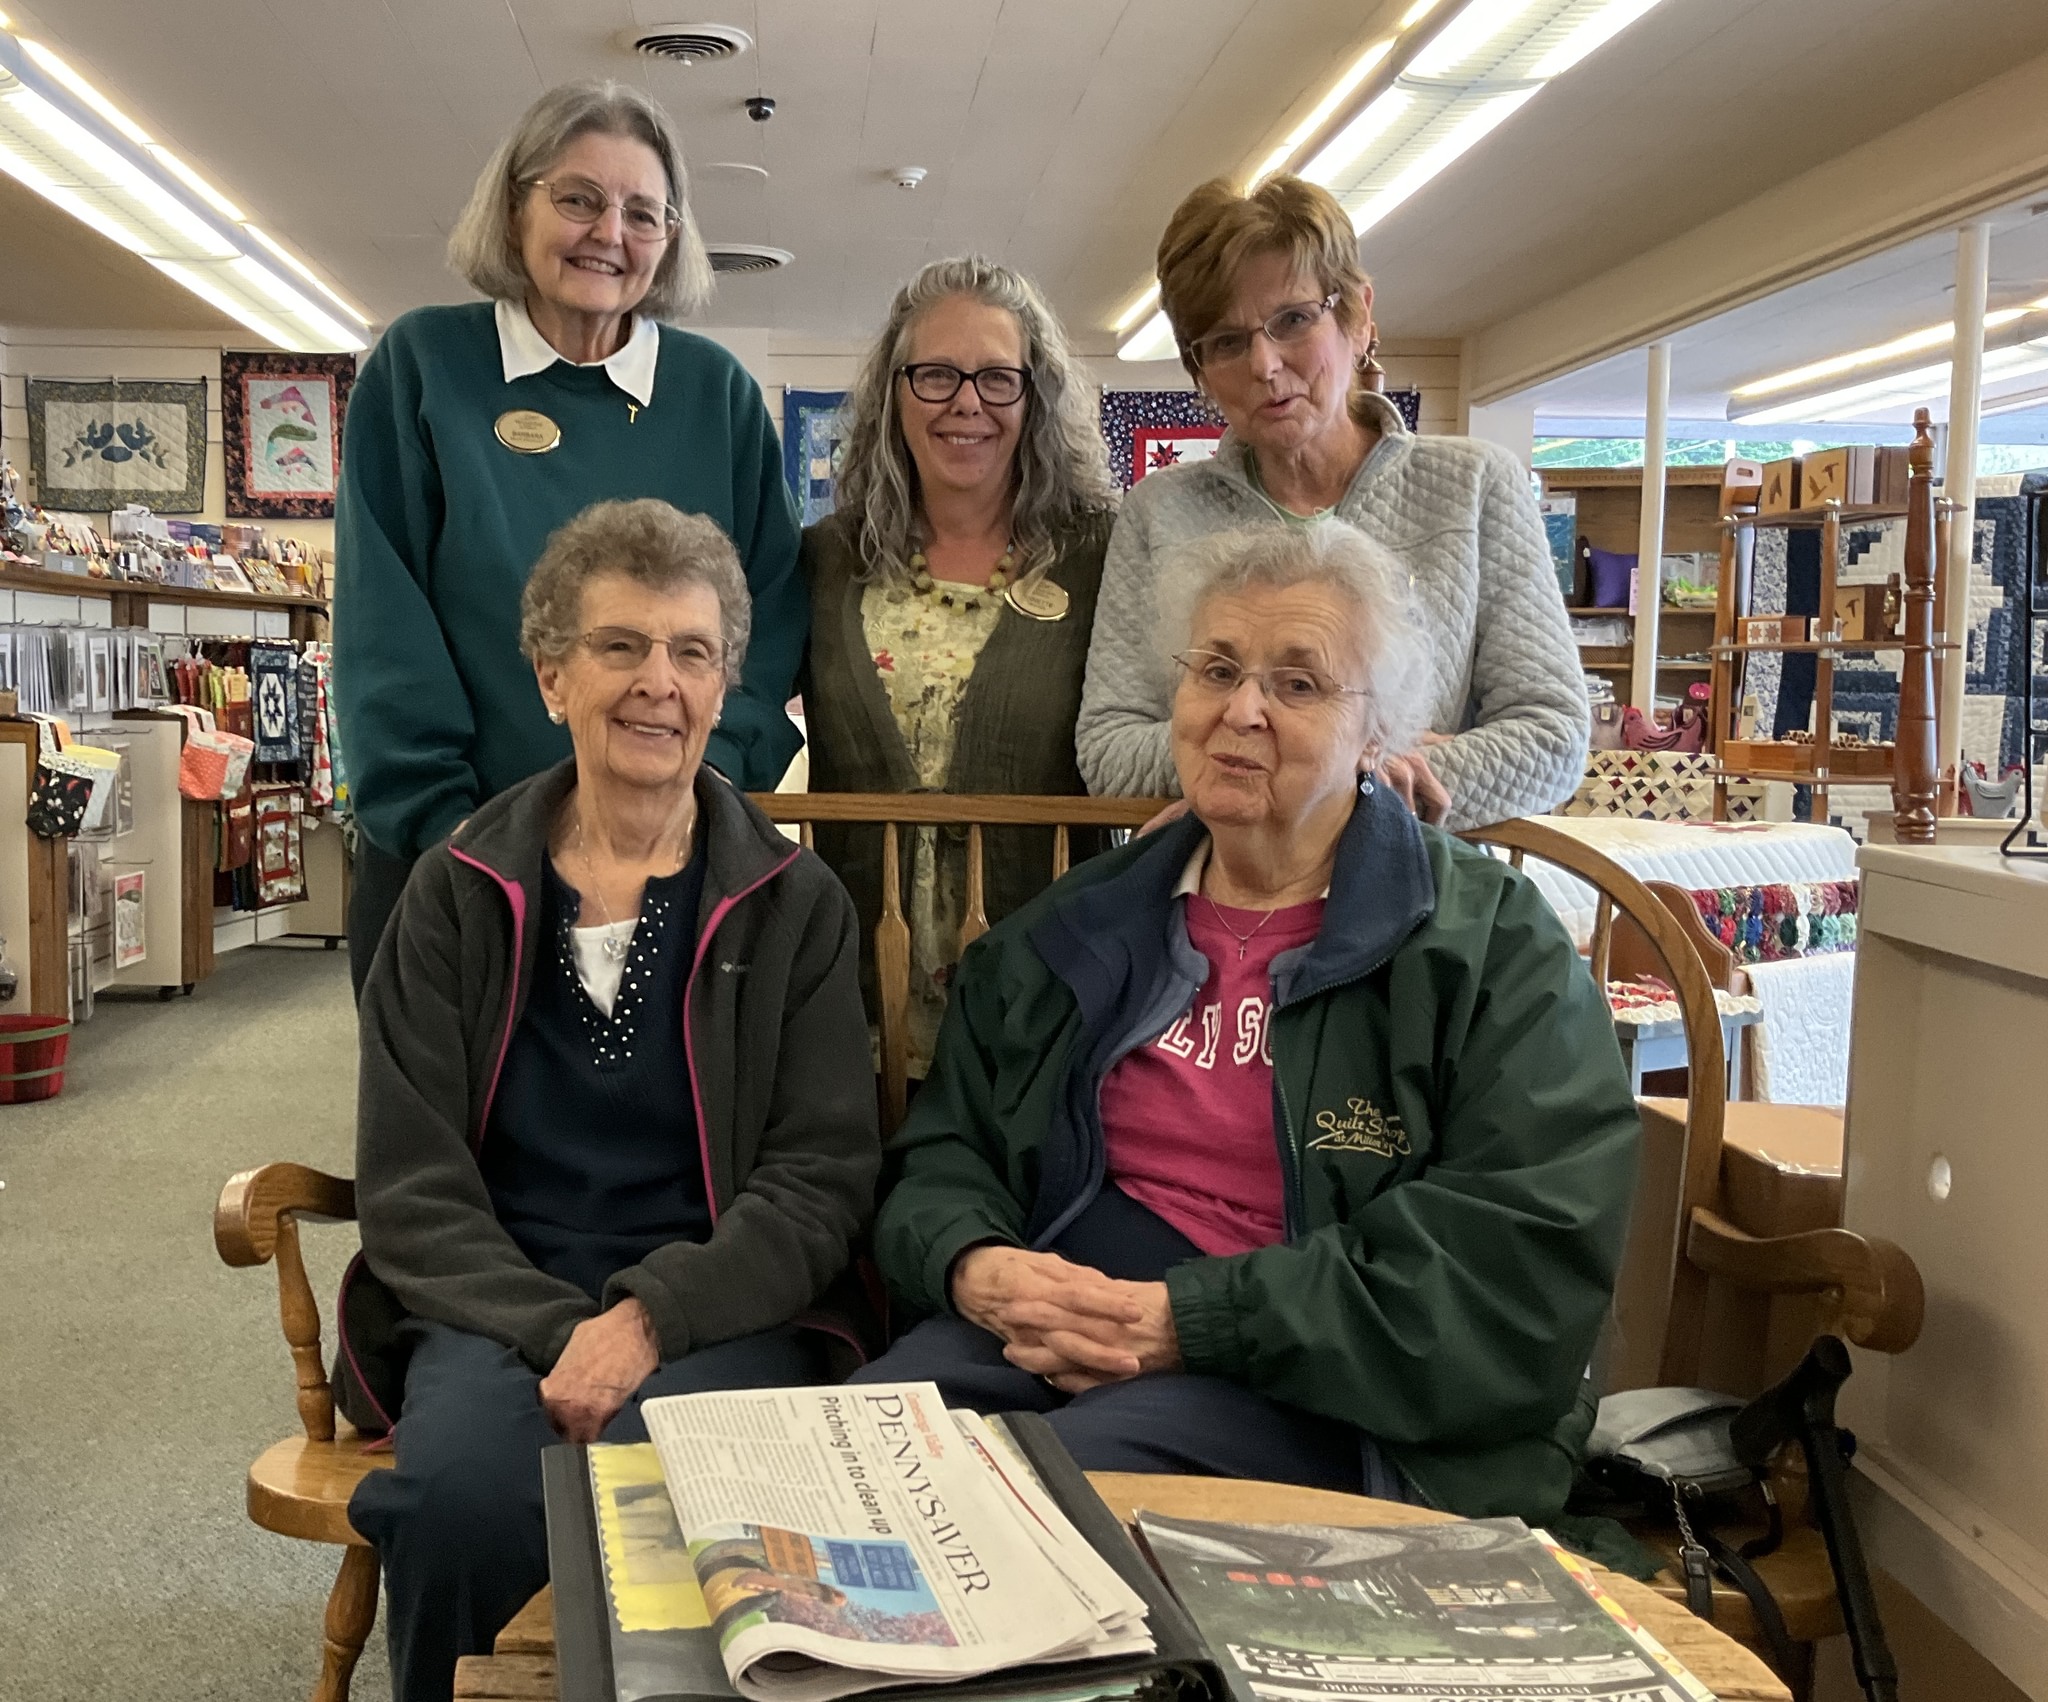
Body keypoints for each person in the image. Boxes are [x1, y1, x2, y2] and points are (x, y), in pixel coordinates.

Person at [861, 519, 1638, 1525]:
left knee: (1028, 1501)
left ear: (1376, 735)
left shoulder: (1489, 951)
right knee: (855, 1453)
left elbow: (1512, 1266)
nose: (1242, 710)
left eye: (1298, 682)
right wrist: (976, 1263)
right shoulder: (1071, 928)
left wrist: (1192, 1321)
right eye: (1216, 668)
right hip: (1057, 1321)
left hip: (1330, 1388)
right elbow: (945, 1153)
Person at [344, 499, 878, 1702]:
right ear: (550, 677)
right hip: (495, 1298)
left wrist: (642, 1320)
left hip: (721, 1299)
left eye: (692, 652)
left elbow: (817, 1183)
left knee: (677, 1487)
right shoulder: (453, 893)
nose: (658, 683)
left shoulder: (797, 906)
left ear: (726, 684)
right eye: (619, 646)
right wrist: (554, 1330)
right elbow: (413, 1187)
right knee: (457, 1498)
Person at [335, 78, 805, 995]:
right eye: (579, 199)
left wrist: (706, 790)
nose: (610, 233)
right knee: (448, 1131)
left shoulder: (718, 396)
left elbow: (773, 618)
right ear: (515, 207)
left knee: (662, 1134)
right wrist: (462, 846)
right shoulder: (422, 368)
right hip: (455, 866)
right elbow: (382, 630)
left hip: (672, 868)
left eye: (644, 212)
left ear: (673, 239)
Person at [1077, 174, 1588, 830]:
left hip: (1420, 903)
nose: (1263, 363)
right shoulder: (1159, 511)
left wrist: (1332, 773)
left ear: (1358, 315)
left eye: (1291, 320)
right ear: (1199, 368)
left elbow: (1553, 738)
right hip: (1215, 905)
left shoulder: (1476, 488)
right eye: (1227, 342)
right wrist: (1347, 759)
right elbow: (1108, 753)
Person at [799, 257, 1117, 1073]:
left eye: (996, 378)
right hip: (856, 994)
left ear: (1034, 394)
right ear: (894, 393)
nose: (966, 402)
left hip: (1045, 1000)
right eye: (936, 375)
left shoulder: (1102, 556)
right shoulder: (826, 561)